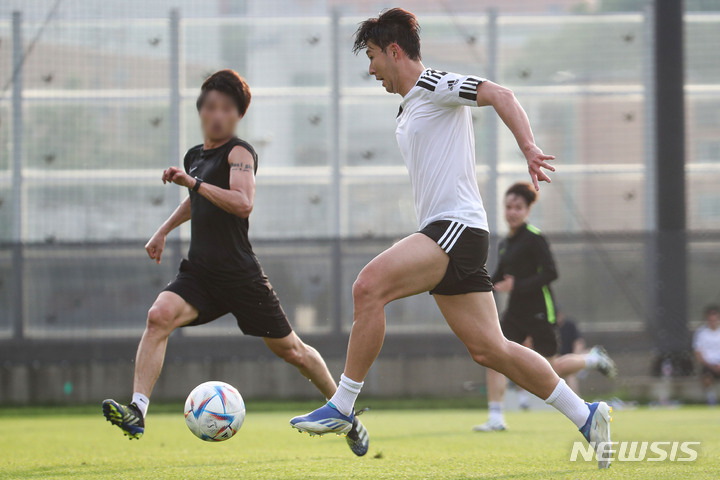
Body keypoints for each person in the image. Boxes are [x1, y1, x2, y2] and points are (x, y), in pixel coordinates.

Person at [290, 9, 612, 468]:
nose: (371, 69)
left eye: (374, 56)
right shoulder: (408, 107)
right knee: (491, 349)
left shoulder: (434, 83)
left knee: (368, 286)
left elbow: (498, 93)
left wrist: (528, 148)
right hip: (451, 232)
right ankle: (586, 415)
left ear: (395, 51)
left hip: (454, 227)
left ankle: (342, 405)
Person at [101, 70, 369, 456]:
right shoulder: (195, 156)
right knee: (158, 316)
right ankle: (138, 411)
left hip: (240, 275)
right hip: (201, 273)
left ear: (238, 115)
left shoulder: (239, 153)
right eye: (210, 107)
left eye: (226, 108)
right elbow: (196, 201)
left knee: (293, 350)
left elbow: (242, 203)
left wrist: (193, 184)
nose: (216, 115)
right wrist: (163, 229)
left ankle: (348, 417)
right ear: (201, 110)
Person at [474, 183, 616, 432]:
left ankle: (592, 358)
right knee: (494, 356)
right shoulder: (505, 243)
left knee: (550, 368)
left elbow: (551, 272)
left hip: (540, 310)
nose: (512, 212)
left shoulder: (535, 238)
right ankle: (495, 417)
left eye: (518, 207)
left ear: (528, 210)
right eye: (508, 207)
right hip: (515, 313)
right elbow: (496, 277)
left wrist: (516, 285)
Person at [693, 305, 720, 406]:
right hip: (708, 365)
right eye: (710, 319)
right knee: (706, 376)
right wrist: (711, 365)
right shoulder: (701, 333)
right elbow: (698, 353)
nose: (713, 321)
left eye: (715, 319)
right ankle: (711, 398)